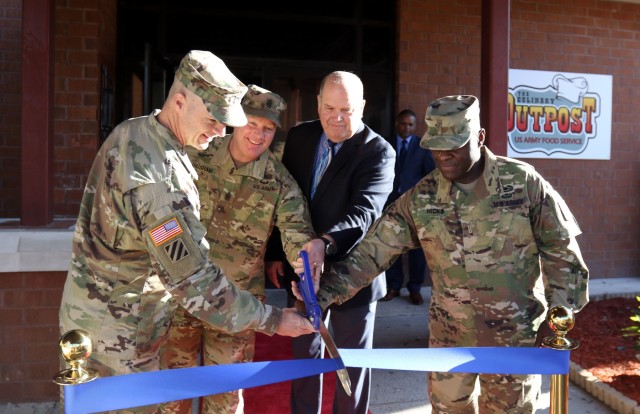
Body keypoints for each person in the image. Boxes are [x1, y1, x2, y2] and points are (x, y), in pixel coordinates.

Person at [58, 51, 315, 412]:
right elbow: (193, 280)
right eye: (213, 118)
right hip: (121, 339)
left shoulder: (135, 131)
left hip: (103, 319)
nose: (219, 131)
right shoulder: (160, 178)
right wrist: (272, 319)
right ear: (179, 102)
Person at [308, 95, 590, 413]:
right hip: (450, 338)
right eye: (437, 146)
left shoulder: (523, 184)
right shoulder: (422, 198)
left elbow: (561, 250)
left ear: (480, 137)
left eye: (454, 145)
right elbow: (373, 252)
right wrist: (322, 294)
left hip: (513, 337)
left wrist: (558, 317)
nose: (443, 155)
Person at [160, 85, 324, 414]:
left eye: (268, 128)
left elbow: (296, 233)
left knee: (226, 401)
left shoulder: (278, 181)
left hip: (237, 306)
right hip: (180, 299)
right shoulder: (194, 155)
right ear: (235, 121)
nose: (258, 134)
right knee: (171, 396)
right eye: (252, 123)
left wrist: (307, 259)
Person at [265, 71, 395, 414]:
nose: (337, 118)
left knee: (350, 365)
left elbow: (364, 212)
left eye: (347, 110)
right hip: (302, 271)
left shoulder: (379, 152)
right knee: (304, 361)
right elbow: (286, 199)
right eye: (329, 108)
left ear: (363, 107)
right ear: (317, 104)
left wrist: (325, 243)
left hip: (354, 274)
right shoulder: (300, 137)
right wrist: (276, 253)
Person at [381, 109, 435, 305]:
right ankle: (393, 286)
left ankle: (415, 288)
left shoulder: (422, 147)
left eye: (410, 124)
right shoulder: (385, 143)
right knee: (392, 246)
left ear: (415, 126)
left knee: (416, 250)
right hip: (391, 204)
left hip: (415, 207)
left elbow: (431, 176)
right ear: (397, 124)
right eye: (403, 124)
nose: (406, 127)